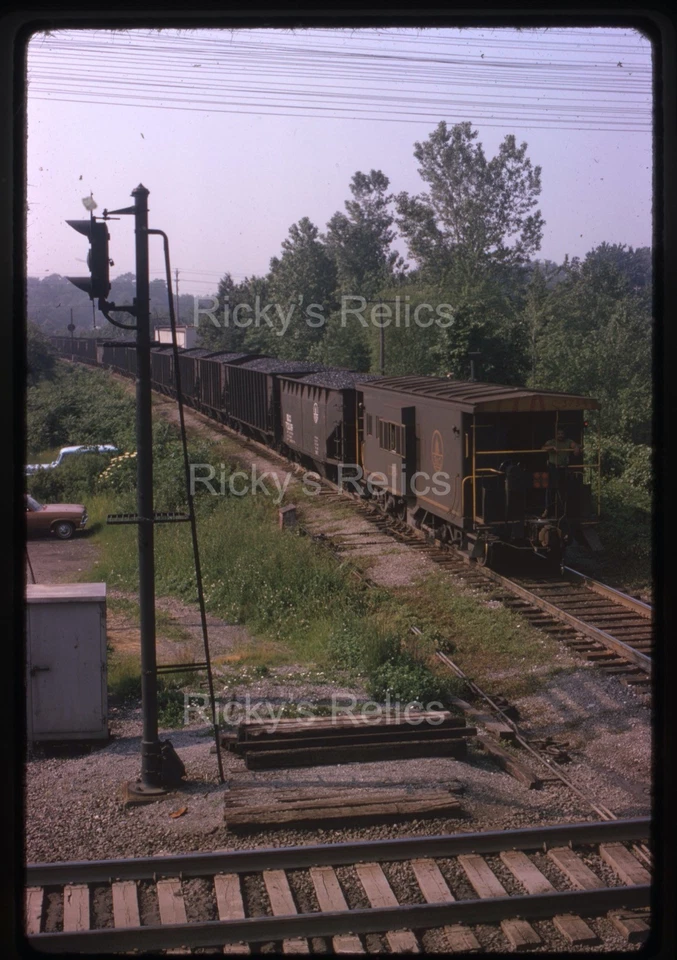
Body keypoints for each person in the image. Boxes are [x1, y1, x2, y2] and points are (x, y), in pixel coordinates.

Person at [542, 428, 581, 515]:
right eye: (558, 434)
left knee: (563, 489)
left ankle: (562, 511)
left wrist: (576, 448)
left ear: (564, 434)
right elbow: (543, 447)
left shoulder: (568, 441)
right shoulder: (551, 442)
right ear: (555, 435)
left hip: (563, 468)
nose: (560, 435)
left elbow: (574, 445)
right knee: (550, 489)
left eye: (562, 433)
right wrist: (552, 447)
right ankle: (547, 509)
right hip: (552, 467)